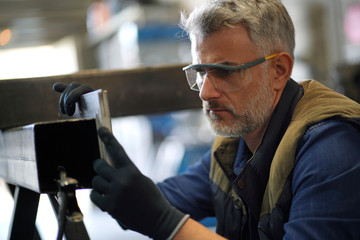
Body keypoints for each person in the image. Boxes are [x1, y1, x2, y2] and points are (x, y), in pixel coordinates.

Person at [53, 0, 360, 239]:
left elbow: (159, 215)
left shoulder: (331, 150)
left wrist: (167, 225)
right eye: (200, 72)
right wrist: (93, 134)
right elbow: (145, 201)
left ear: (279, 70)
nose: (205, 92)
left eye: (225, 72)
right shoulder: (234, 148)